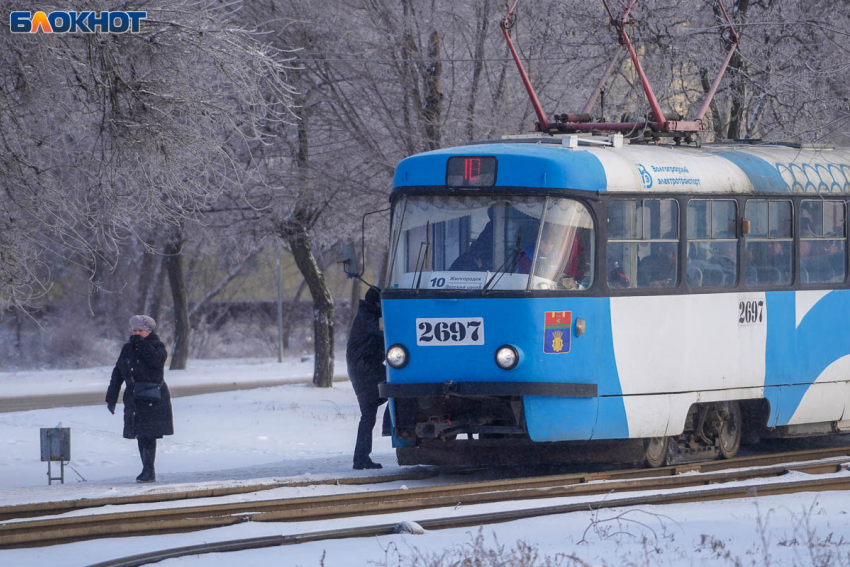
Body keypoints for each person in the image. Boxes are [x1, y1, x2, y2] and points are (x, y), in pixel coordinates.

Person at [105, 315, 173, 483]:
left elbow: (156, 362)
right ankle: (146, 469)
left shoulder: (157, 346)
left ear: (148, 331)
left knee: (149, 434)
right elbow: (118, 372)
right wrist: (111, 396)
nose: (136, 334)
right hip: (134, 397)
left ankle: (149, 470)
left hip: (153, 398)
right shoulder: (127, 348)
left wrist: (142, 345)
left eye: (140, 331)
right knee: (140, 434)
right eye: (134, 330)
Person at [347, 286, 391, 470]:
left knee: (368, 415)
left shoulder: (367, 314)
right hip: (366, 369)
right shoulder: (368, 318)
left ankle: (361, 458)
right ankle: (390, 426)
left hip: (362, 369)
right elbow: (387, 331)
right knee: (397, 387)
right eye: (383, 303)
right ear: (377, 302)